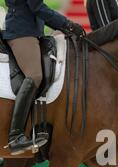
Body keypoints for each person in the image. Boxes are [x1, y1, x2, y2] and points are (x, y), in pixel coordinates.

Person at [2, 0, 86, 155]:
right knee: (34, 75)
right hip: (21, 32)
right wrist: (67, 24)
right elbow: (37, 7)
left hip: (33, 32)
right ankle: (15, 137)